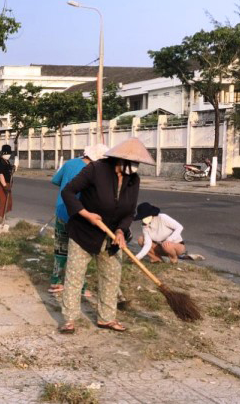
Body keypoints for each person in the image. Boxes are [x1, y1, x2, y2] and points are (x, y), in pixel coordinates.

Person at [59, 137, 155, 334]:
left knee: (111, 278)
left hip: (112, 237)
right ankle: (69, 319)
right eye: (134, 162)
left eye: (138, 163)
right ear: (121, 159)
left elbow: (130, 212)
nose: (136, 167)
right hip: (84, 232)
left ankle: (106, 318)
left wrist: (120, 230)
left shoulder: (133, 180)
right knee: (75, 277)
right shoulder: (96, 169)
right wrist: (86, 215)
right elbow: (68, 192)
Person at [49, 144, 109, 294]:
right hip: (81, 215)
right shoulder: (96, 170)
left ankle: (56, 281)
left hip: (62, 211)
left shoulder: (69, 163)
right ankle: (80, 287)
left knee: (61, 247)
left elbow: (56, 180)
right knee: (80, 253)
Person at [0, 144, 15, 224]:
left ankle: (3, 216)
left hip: (7, 185)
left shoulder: (7, 161)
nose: (9, 155)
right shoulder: (0, 163)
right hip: (0, 185)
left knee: (8, 202)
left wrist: (13, 168)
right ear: (4, 153)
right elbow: (1, 175)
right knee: (3, 200)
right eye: (8, 154)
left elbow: (9, 171)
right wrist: (5, 186)